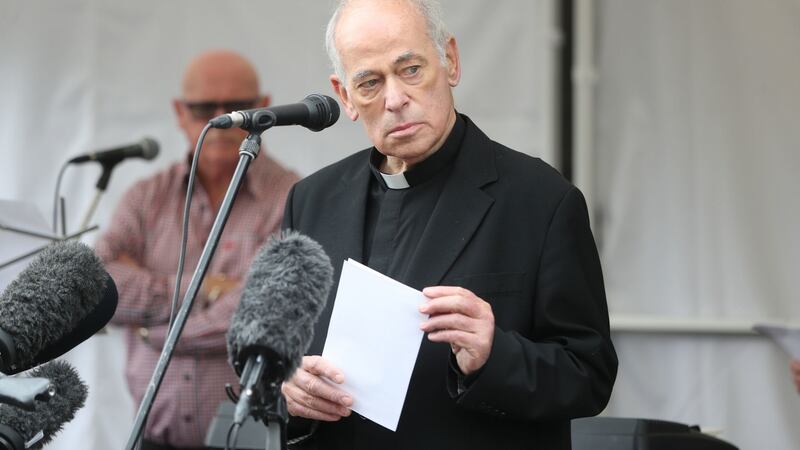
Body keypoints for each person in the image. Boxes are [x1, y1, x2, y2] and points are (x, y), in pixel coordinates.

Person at [279, 0, 618, 449]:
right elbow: (274, 355)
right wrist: (289, 386)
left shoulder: (540, 200)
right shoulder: (312, 200)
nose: (395, 99)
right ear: (345, 97)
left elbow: (589, 375)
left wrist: (494, 354)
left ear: (450, 61)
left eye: (411, 70)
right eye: (370, 83)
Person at [95, 50, 299, 450]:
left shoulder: (293, 196)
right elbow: (96, 287)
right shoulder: (145, 197)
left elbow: (257, 312)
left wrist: (150, 330)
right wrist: (204, 289)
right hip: (153, 438)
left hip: (250, 439)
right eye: (206, 107)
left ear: (264, 108)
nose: (223, 118)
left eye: (238, 107)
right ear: (180, 112)